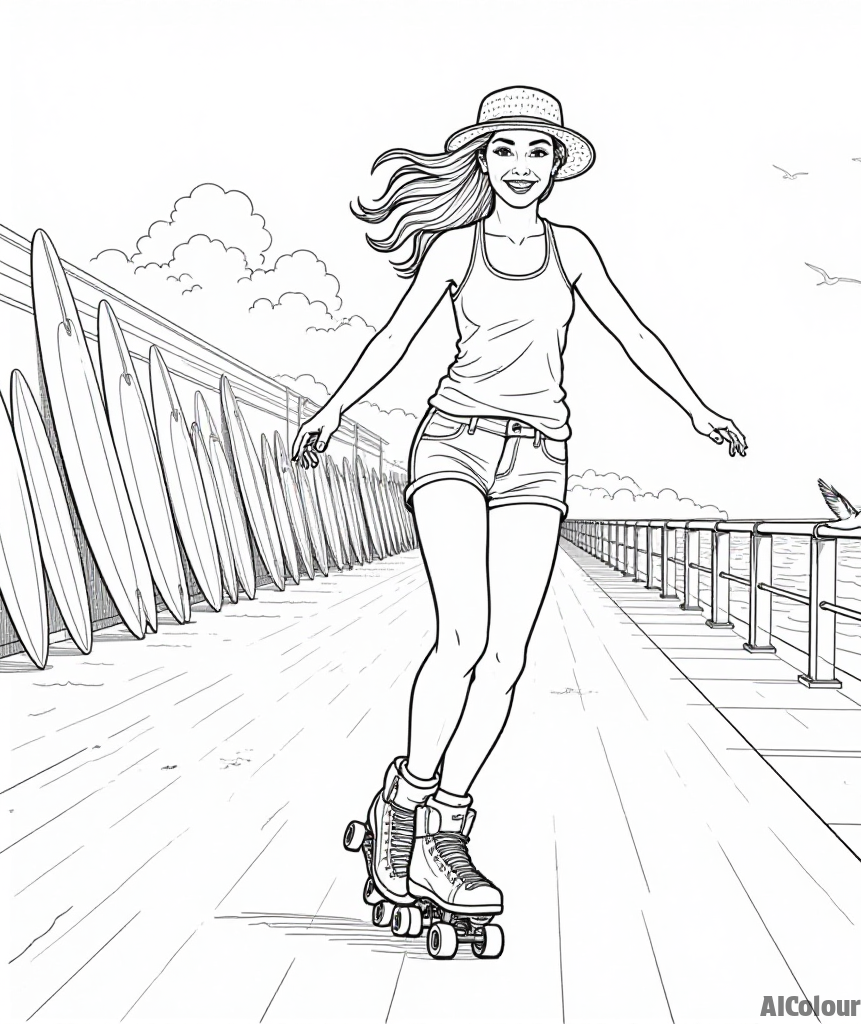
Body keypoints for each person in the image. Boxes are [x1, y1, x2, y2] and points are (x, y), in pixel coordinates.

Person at [293, 86, 747, 936]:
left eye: (538, 152)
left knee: (505, 655)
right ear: (482, 158)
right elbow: (394, 339)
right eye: (506, 150)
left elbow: (634, 334)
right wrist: (332, 409)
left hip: (540, 457)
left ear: (556, 164)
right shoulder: (454, 250)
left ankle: (444, 829)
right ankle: (404, 808)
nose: (522, 167)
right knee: (462, 637)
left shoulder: (570, 249)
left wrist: (698, 410)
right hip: (454, 444)